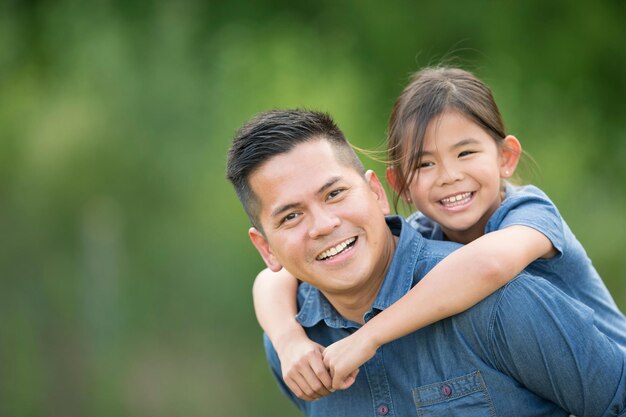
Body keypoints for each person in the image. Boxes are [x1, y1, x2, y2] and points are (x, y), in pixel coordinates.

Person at [252, 67, 626, 397]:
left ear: (506, 158)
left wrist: (368, 336)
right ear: (401, 185)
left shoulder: (528, 211)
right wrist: (288, 342)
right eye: (425, 163)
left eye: (466, 153)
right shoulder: (425, 232)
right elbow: (272, 280)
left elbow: (487, 267)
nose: (449, 176)